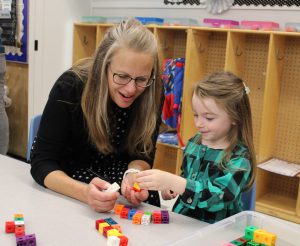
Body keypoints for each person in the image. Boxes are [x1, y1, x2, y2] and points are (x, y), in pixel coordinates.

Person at [30, 18, 163, 212]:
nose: (131, 89)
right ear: (103, 66)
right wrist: (85, 193)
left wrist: (134, 173)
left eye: (142, 79)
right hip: (70, 182)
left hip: (121, 182)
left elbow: (143, 155)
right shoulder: (70, 88)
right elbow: (42, 162)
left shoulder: (152, 92)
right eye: (122, 76)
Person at [136, 71, 256, 223]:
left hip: (217, 230)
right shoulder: (195, 142)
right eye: (196, 115)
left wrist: (177, 183)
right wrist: (172, 188)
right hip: (184, 222)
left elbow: (217, 198)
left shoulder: (240, 158)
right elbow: (188, 176)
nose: (199, 123)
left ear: (234, 117)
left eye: (209, 118)